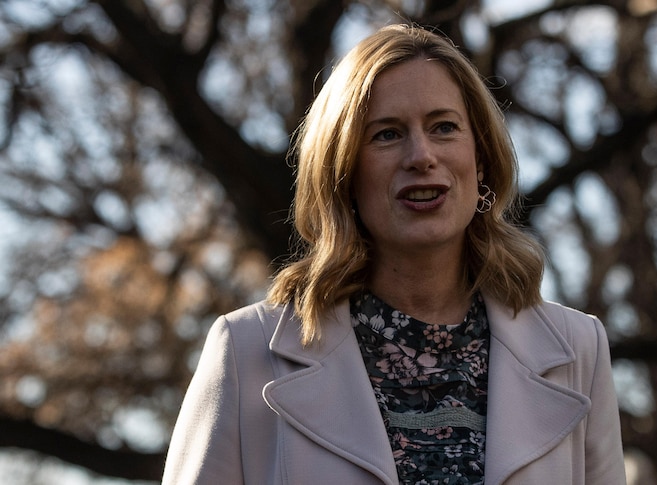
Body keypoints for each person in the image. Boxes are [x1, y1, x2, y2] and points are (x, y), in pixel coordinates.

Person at [162, 23, 625, 485]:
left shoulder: (578, 349)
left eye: (444, 127)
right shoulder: (246, 352)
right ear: (343, 172)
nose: (421, 155)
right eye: (386, 134)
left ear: (480, 159)